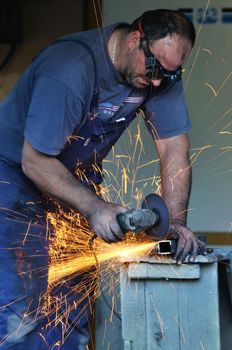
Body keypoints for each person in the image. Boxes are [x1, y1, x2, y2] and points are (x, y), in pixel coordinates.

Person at [0, 9, 206, 349]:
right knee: (21, 303)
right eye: (154, 69)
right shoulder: (70, 69)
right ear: (135, 39)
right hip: (13, 180)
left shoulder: (160, 73)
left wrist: (175, 223)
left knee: (70, 301)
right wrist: (94, 207)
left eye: (169, 75)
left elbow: (173, 148)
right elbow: (34, 160)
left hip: (73, 180)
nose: (157, 82)